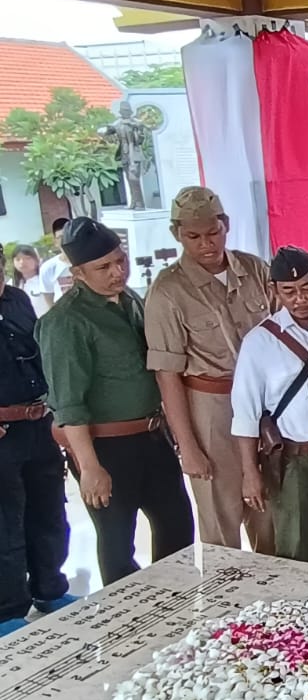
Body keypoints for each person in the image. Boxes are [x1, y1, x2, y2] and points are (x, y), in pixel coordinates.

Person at [37, 219, 194, 585]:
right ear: (77, 273)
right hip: (105, 445)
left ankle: (175, 606)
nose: (117, 272)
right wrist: (89, 466)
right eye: (103, 268)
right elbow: (68, 403)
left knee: (177, 526)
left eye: (119, 261)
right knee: (117, 542)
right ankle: (128, 626)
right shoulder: (66, 322)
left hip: (152, 436)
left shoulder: (131, 300)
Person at [145, 186, 273, 555]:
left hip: (264, 404)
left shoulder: (253, 268)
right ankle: (228, 606)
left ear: (226, 225)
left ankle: (277, 603)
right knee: (221, 519)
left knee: (272, 515)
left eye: (213, 232)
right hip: (210, 409)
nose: (206, 244)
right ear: (176, 234)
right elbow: (167, 375)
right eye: (193, 236)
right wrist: (188, 447)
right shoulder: (168, 291)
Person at [231, 247, 308, 570]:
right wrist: (250, 473)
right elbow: (246, 414)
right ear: (275, 291)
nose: (300, 298)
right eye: (290, 291)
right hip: (294, 461)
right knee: (295, 552)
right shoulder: (260, 342)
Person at [0, 247, 72, 637]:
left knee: (48, 510)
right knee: (4, 522)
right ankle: (7, 607)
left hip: (37, 422)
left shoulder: (18, 299)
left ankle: (49, 587)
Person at [38, 217, 72, 309]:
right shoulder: (48, 268)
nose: (65, 240)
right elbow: (49, 299)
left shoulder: (89, 263)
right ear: (55, 242)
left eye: (67, 236)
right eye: (60, 237)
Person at [10, 244, 48, 317]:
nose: (22, 262)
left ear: (37, 260)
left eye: (27, 258)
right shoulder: (11, 284)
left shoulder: (45, 279)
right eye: (18, 259)